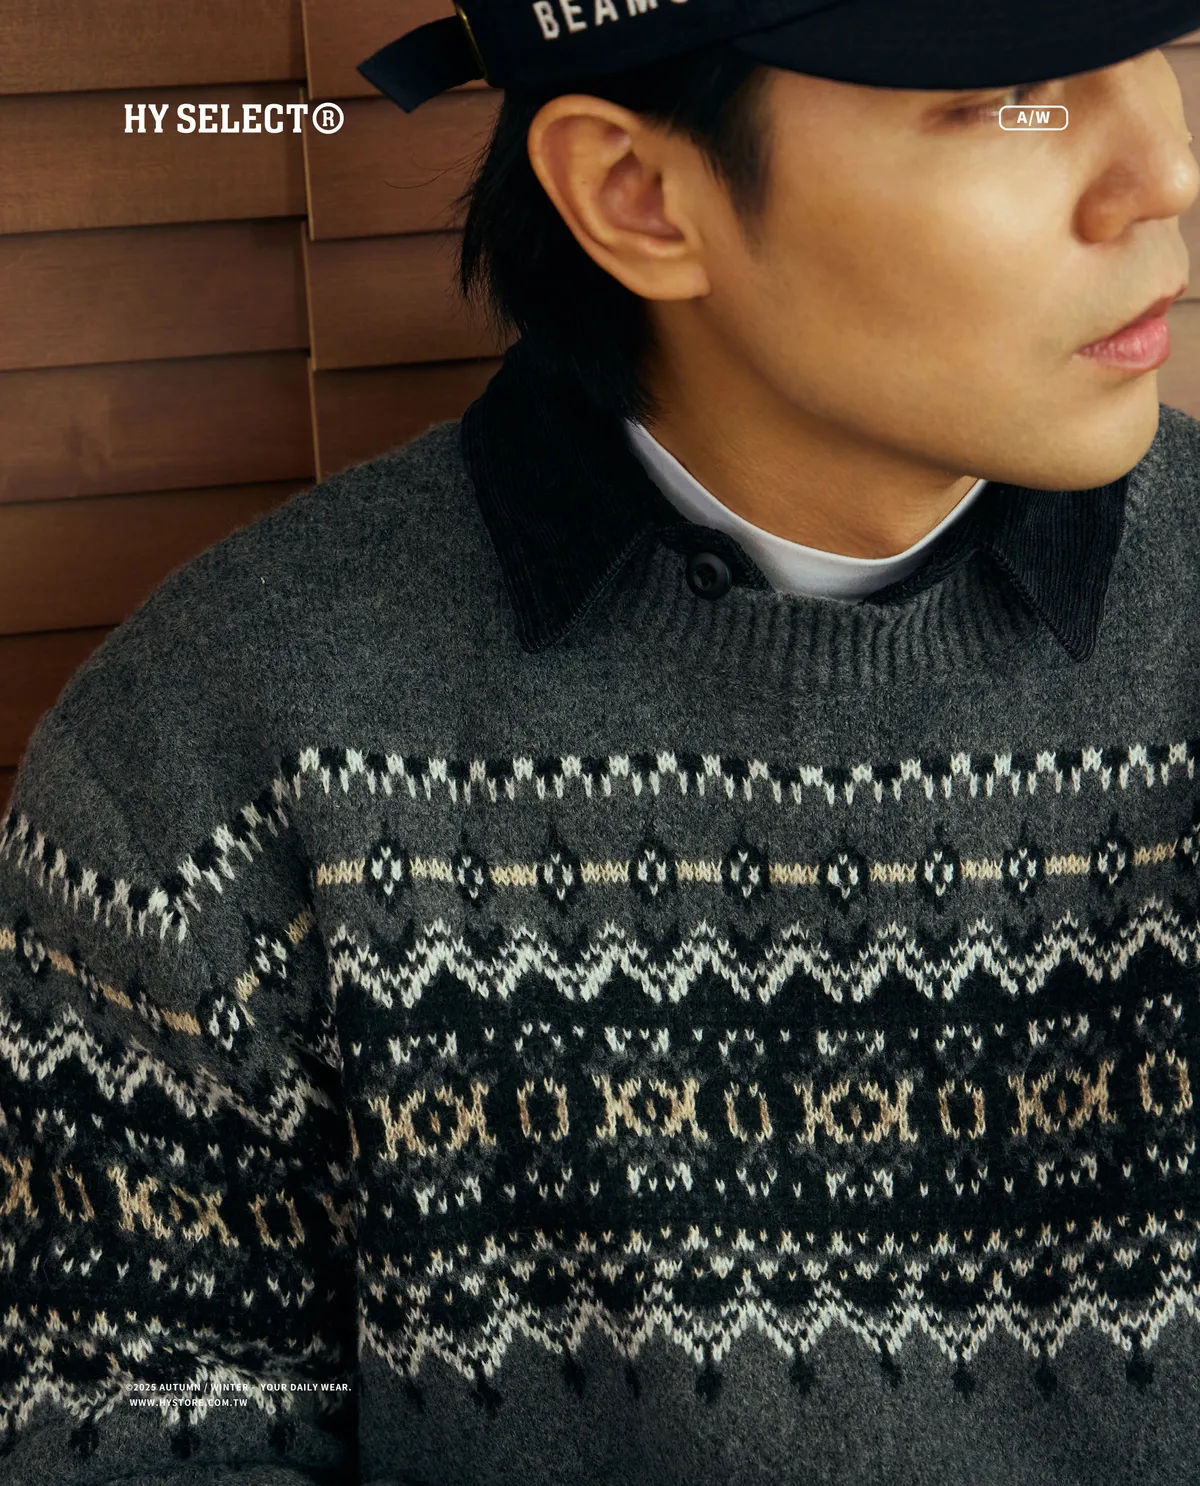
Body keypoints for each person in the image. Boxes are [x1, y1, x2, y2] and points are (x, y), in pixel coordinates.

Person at [4, 1, 1200, 1480]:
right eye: (1015, 92)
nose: (1167, 169)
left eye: (1156, 46)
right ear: (638, 196)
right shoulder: (207, 767)